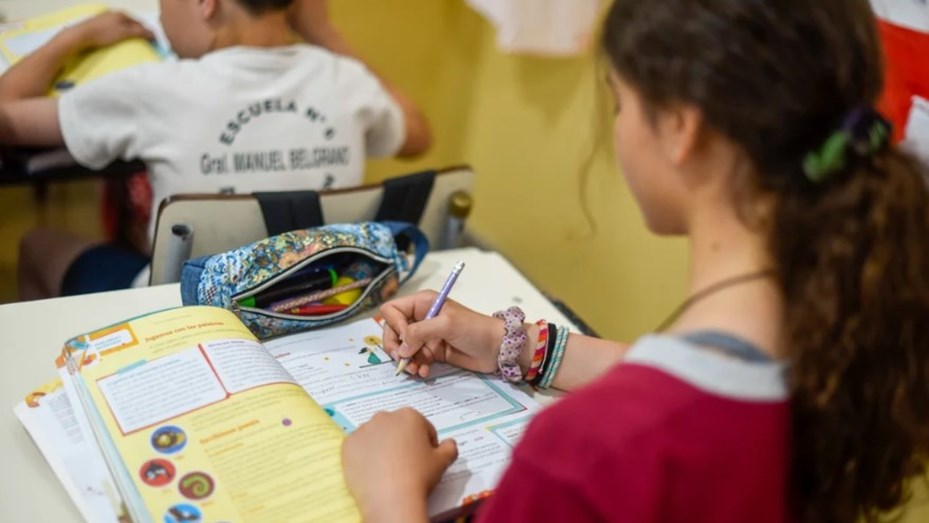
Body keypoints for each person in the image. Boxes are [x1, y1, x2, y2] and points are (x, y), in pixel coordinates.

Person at [341, 1, 929, 522]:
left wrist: (389, 495)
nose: (617, 127)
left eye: (621, 103)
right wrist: (508, 342)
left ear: (680, 128)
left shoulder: (586, 457)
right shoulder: (850, 341)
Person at [2, 0, 431, 299]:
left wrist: (73, 37)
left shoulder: (157, 88)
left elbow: (7, 116)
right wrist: (324, 30)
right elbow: (417, 136)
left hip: (184, 310)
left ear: (206, 3)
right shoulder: (345, 80)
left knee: (39, 246)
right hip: (320, 295)